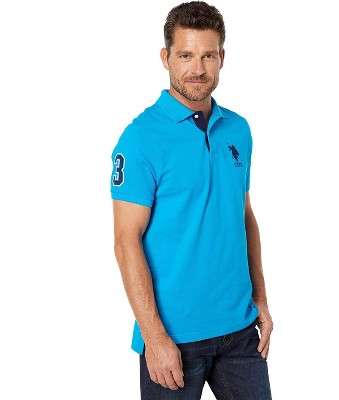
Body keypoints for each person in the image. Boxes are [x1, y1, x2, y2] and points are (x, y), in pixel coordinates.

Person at [110, 2, 273, 399]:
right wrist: (154, 337)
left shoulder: (238, 129)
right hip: (174, 338)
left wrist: (261, 300)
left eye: (208, 56)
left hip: (240, 332)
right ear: (166, 57)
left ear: (222, 58)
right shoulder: (140, 138)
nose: (197, 69)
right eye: (185, 55)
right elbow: (126, 241)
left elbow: (244, 216)